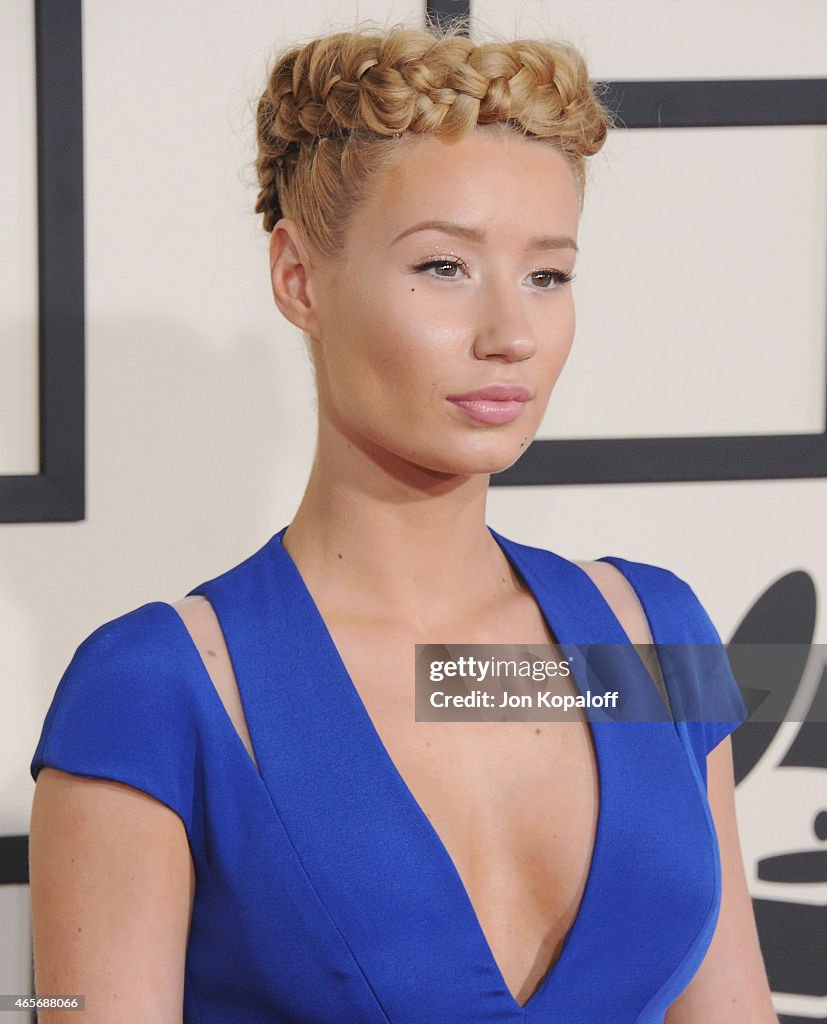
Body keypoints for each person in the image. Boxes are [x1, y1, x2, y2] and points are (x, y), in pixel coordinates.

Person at [28, 18, 777, 1023]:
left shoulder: (648, 636)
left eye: (546, 274)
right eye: (442, 267)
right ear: (298, 279)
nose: (509, 334)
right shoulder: (158, 694)